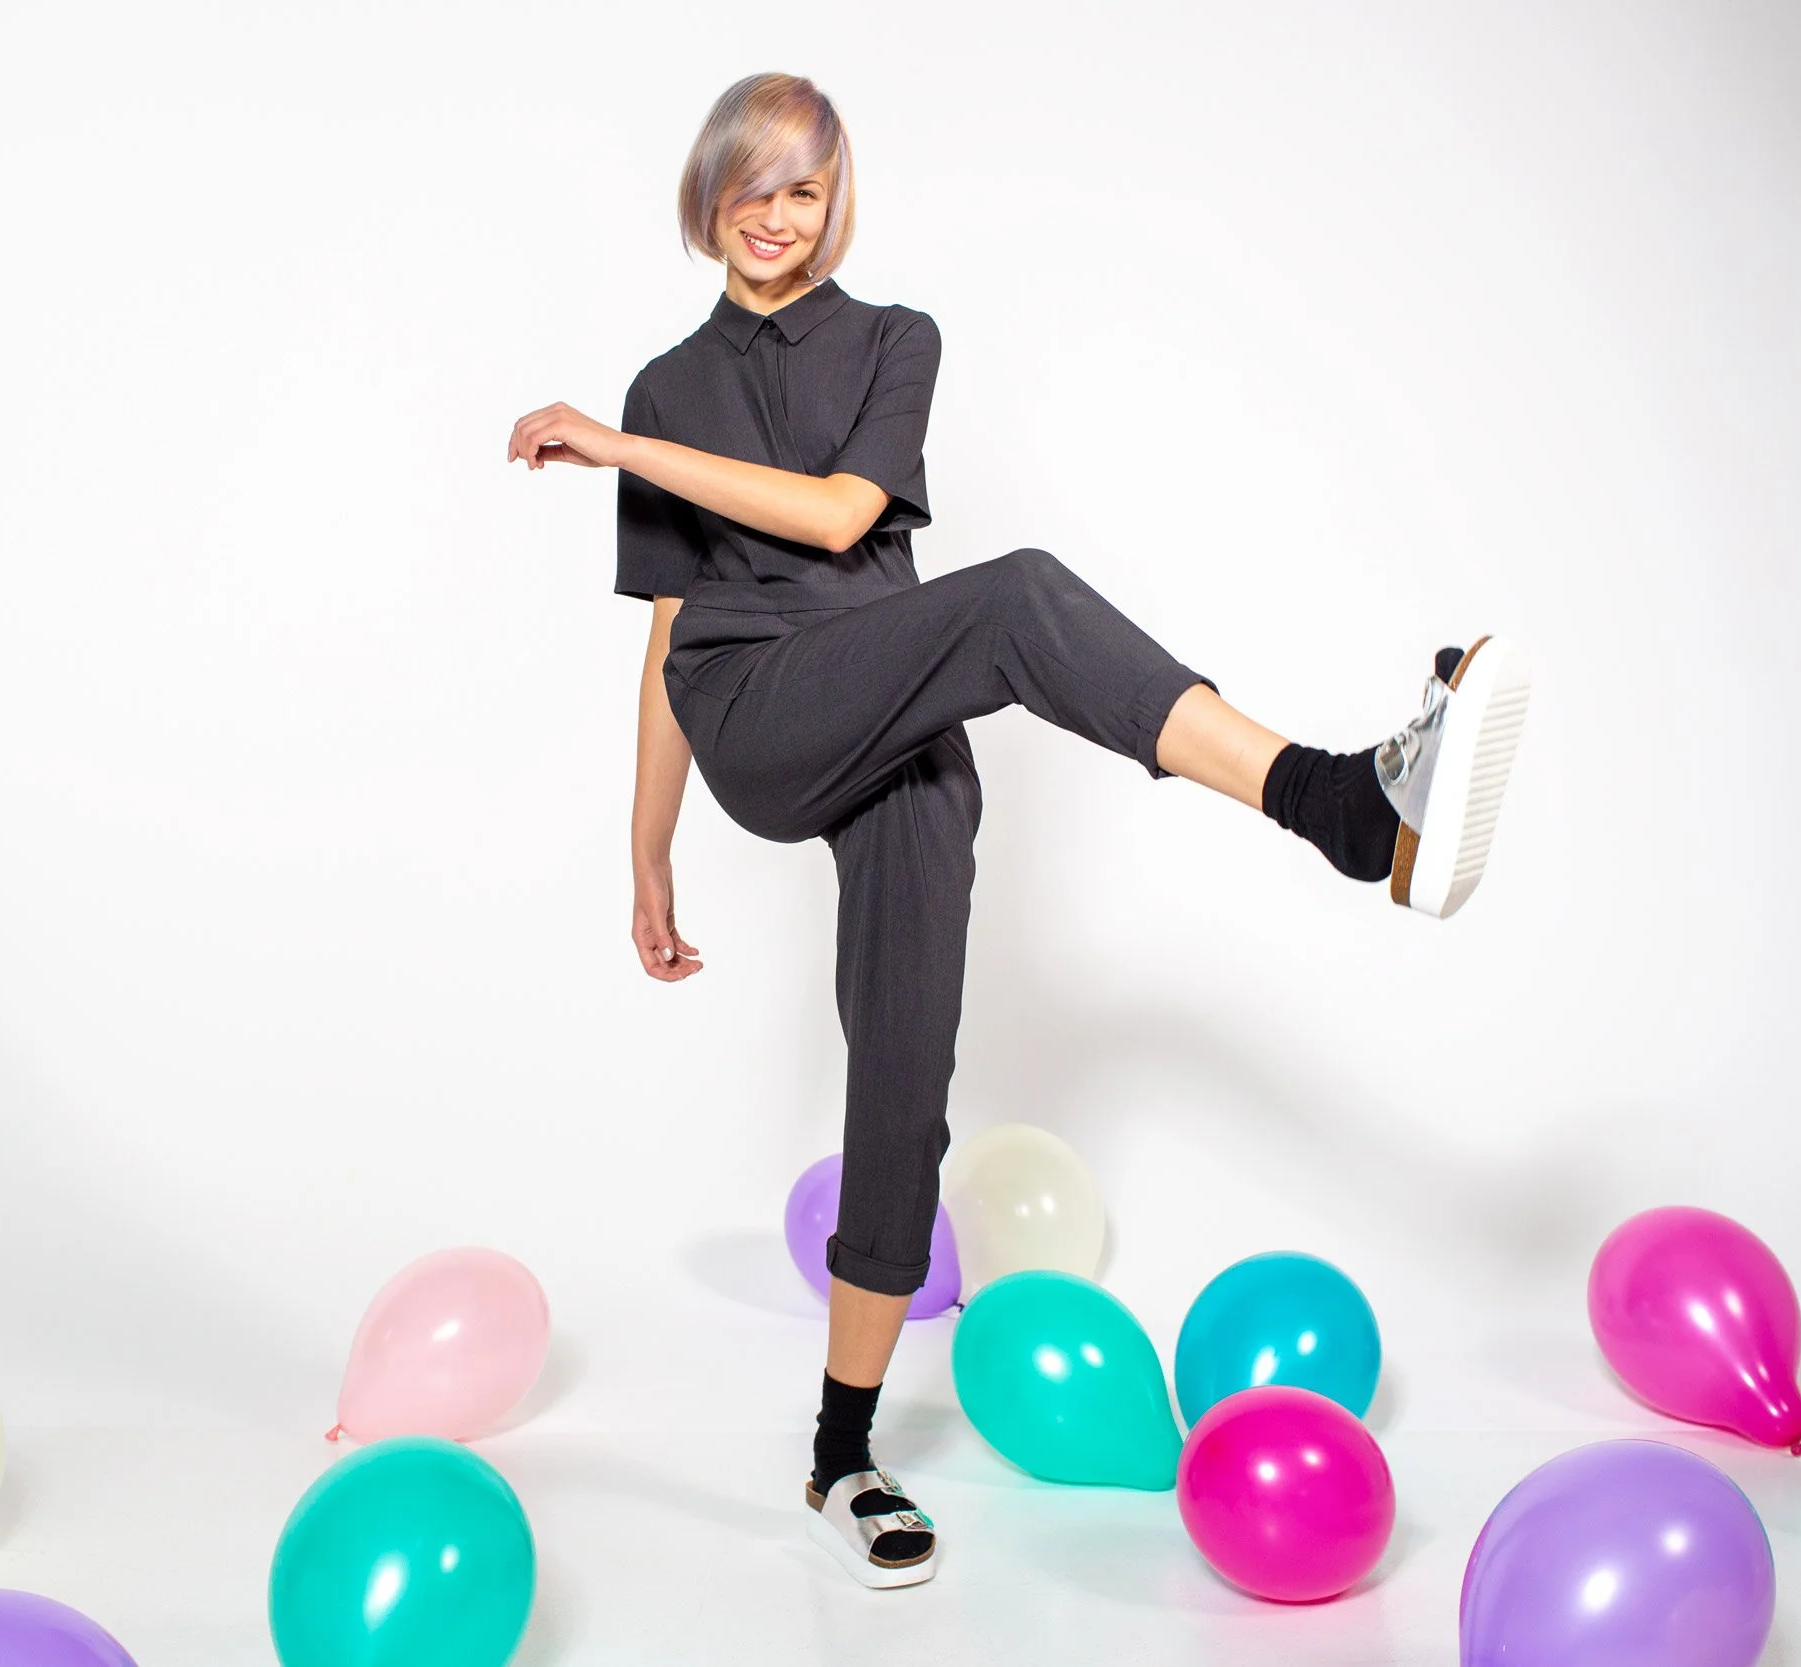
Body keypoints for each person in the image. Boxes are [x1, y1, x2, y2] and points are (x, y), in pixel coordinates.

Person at [504, 71, 1531, 1590]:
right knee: (1020, 594)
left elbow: (845, 516)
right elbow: (668, 628)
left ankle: (842, 1451)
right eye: (752, 185)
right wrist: (647, 852)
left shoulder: (894, 339)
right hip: (757, 705)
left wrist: (614, 447)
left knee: (905, 1076)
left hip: (896, 706)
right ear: (708, 193)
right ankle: (1333, 800)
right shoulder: (663, 388)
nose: (777, 216)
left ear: (834, 202)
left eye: (805, 189)